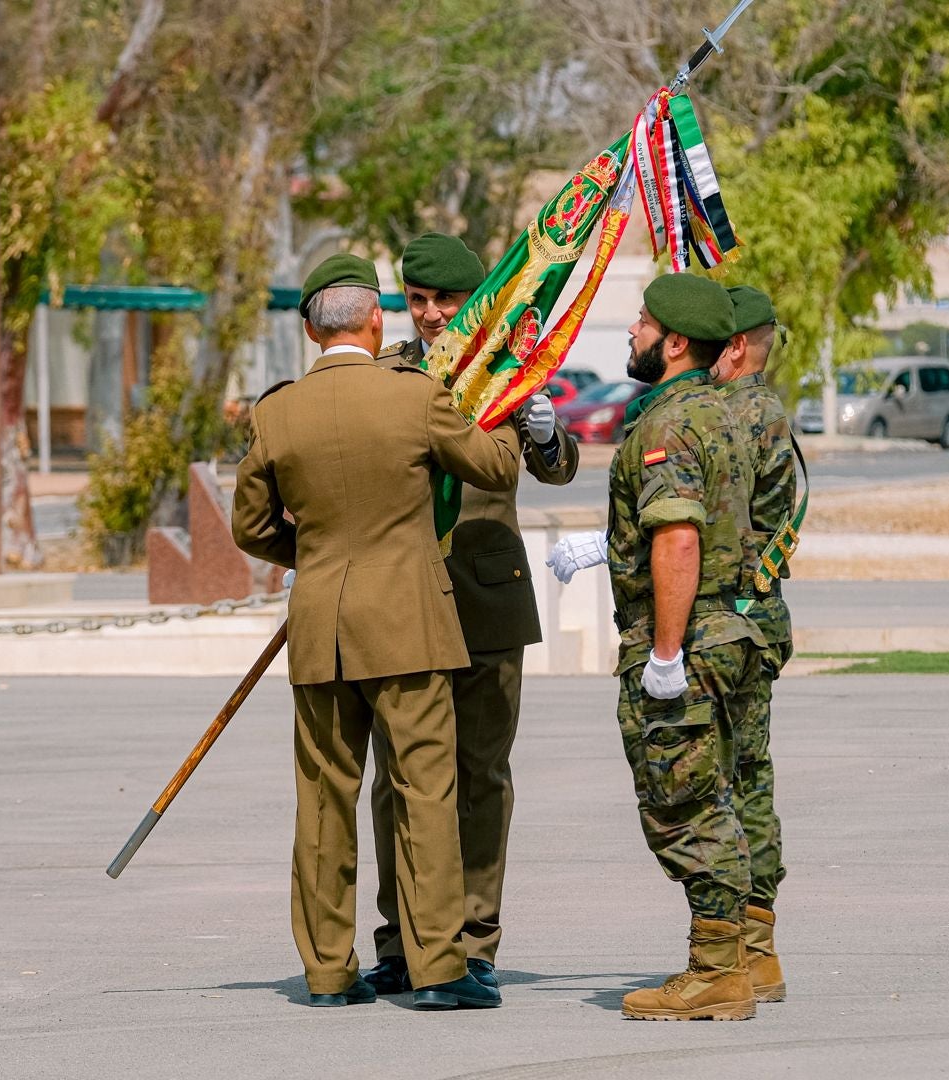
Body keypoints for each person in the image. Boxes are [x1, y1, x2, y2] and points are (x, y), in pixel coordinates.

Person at [231, 253, 520, 1011]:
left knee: (324, 800)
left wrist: (317, 559)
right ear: (377, 320)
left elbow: (250, 526)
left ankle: (328, 974)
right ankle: (436, 970)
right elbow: (493, 467)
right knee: (424, 791)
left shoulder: (277, 412)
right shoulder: (415, 398)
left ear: (307, 329)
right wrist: (515, 419)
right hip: (410, 626)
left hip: (321, 626)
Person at [546, 273, 766, 1021]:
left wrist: (664, 657)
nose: (630, 334)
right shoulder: (722, 411)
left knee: (683, 806)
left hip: (688, 641)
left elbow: (677, 539)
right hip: (728, 632)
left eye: (640, 324)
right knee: (715, 797)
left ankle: (717, 972)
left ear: (674, 342)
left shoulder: (667, 425)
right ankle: (736, 958)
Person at [365, 232, 579, 994]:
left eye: (445, 301)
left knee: (480, 772)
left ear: (476, 299)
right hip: (401, 595)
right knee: (398, 778)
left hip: (486, 594)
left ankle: (475, 939)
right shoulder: (386, 372)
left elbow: (557, 468)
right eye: (417, 300)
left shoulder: (506, 372)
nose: (428, 315)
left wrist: (546, 430)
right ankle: (400, 940)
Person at [709, 285, 794, 1003]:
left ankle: (743, 946)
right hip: (756, 617)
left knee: (729, 785)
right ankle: (758, 946)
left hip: (735, 619)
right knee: (750, 779)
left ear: (736, 346)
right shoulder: (765, 411)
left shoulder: (744, 415)